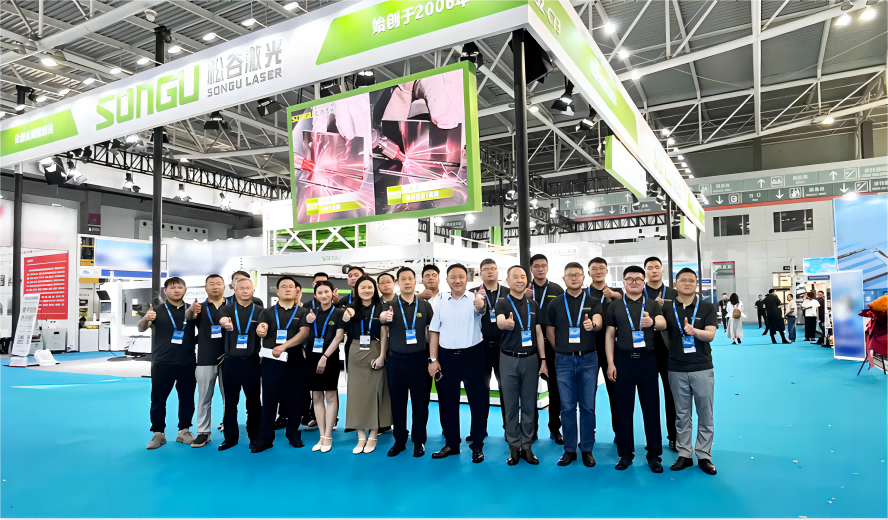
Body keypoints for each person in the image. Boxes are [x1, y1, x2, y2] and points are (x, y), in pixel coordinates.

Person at [604, 266, 667, 473]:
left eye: (638, 279)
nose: (634, 282)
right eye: (629, 279)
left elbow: (662, 323)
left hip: (648, 362)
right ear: (623, 283)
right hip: (623, 362)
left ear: (643, 282)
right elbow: (609, 335)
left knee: (651, 409)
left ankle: (654, 455)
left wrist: (653, 322)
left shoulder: (652, 304)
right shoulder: (614, 306)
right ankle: (625, 454)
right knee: (623, 410)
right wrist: (610, 363)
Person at [428, 263, 488, 463]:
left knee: (478, 401)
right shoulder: (440, 302)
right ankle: (452, 443)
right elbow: (434, 331)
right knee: (447, 402)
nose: (457, 280)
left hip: (473, 355)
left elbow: (482, 310)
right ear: (447, 280)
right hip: (446, 357)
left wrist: (481, 305)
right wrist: (433, 359)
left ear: (466, 279)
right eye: (453, 277)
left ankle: (477, 444)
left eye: (461, 276)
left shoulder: (475, 299)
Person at [662, 268, 719, 476]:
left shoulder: (707, 307)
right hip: (676, 368)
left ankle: (704, 455)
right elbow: (664, 333)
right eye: (683, 280)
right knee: (681, 415)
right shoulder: (667, 309)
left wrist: (694, 332)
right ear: (675, 284)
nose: (687, 283)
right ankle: (684, 454)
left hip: (702, 367)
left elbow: (710, 335)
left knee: (705, 413)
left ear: (697, 285)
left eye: (691, 280)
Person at [547, 262, 602, 467]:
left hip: (588, 359)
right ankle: (569, 449)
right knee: (567, 407)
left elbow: (599, 321)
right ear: (563, 279)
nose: (574, 278)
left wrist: (593, 325)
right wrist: (561, 349)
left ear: (583, 277)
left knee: (588, 406)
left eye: (577, 275)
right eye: (569, 275)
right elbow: (550, 331)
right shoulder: (555, 303)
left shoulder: (593, 301)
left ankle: (586, 448)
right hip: (563, 360)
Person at [496, 265, 548, 465]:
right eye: (515, 277)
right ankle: (513, 445)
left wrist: (543, 360)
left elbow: (539, 333)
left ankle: (526, 445)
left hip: (531, 359)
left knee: (528, 403)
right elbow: (500, 321)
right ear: (508, 281)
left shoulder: (533, 304)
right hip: (508, 358)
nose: (520, 280)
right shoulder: (502, 303)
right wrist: (505, 324)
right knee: (510, 404)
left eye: (523, 277)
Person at [380, 267, 434, 457]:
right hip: (396, 362)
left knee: (421, 404)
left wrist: (432, 359)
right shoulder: (389, 305)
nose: (407, 282)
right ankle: (399, 440)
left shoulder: (425, 306)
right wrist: (383, 318)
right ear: (398, 283)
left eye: (410, 278)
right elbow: (382, 322)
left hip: (419, 362)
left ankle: (419, 440)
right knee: (398, 404)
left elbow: (433, 333)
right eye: (403, 279)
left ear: (415, 281)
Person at [253, 277, 310, 453]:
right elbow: (261, 328)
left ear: (296, 291)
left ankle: (293, 434)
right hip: (271, 362)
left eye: (291, 286)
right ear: (277, 292)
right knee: (269, 400)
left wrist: (284, 346)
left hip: (294, 362)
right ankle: (266, 438)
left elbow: (304, 333)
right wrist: (260, 330)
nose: (287, 289)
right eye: (283, 287)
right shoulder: (267, 312)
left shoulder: (303, 312)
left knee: (294, 400)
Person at [141, 277, 196, 450]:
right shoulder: (156, 310)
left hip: (187, 361)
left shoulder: (192, 310)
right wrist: (146, 318)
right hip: (162, 361)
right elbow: (141, 327)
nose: (176, 290)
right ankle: (158, 433)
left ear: (185, 290)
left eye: (180, 287)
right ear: (165, 291)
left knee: (187, 398)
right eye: (172, 287)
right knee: (158, 399)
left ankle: (184, 431)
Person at [341, 275, 392, 454]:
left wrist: (382, 355)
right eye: (362, 287)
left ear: (374, 289)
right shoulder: (350, 307)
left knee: (375, 394)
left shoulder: (382, 307)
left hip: (375, 349)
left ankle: (373, 435)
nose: (366, 290)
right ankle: (361, 436)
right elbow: (344, 323)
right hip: (355, 351)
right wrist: (346, 316)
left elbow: (385, 333)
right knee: (356, 395)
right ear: (357, 290)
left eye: (369, 287)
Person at [217, 277, 264, 451]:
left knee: (254, 402)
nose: (245, 291)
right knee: (230, 402)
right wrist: (224, 322)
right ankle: (230, 438)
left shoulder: (260, 311)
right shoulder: (226, 309)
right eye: (241, 288)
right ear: (235, 290)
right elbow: (221, 319)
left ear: (253, 290)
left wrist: (263, 329)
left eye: (248, 288)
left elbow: (265, 326)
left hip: (252, 362)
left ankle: (255, 436)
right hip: (231, 362)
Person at [526, 253, 565, 445]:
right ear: (531, 268)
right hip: (528, 345)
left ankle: (554, 428)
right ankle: (531, 430)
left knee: (555, 389)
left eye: (543, 265)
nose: (540, 269)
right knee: (529, 388)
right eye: (536, 266)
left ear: (547, 267)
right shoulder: (524, 289)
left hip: (551, 345)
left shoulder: (557, 289)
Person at [643, 256, 680, 452]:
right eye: (650, 267)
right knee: (649, 398)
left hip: (668, 350)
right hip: (645, 351)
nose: (654, 270)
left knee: (671, 395)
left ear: (662, 270)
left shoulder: (673, 293)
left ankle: (674, 437)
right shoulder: (638, 293)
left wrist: (663, 309)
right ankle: (653, 440)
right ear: (645, 272)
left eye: (657, 267)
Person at [304, 281, 346, 453]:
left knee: (330, 395)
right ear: (315, 296)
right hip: (312, 356)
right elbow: (304, 334)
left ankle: (328, 435)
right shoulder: (310, 313)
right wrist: (307, 322)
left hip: (330, 356)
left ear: (332, 293)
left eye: (326, 292)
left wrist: (325, 357)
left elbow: (339, 337)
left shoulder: (339, 312)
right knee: (316, 397)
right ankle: (321, 435)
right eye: (320, 293)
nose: (323, 295)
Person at [586, 257, 623, 441]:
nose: (598, 271)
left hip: (612, 350)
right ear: (589, 273)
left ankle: (619, 432)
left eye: (601, 268)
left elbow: (628, 309)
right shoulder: (583, 294)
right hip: (589, 348)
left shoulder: (618, 293)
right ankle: (589, 431)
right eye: (594, 268)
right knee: (588, 394)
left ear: (607, 271)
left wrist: (615, 296)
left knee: (616, 393)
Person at [189, 274, 227, 448]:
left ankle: (228, 427)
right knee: (204, 398)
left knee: (229, 398)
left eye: (218, 283)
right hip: (205, 358)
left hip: (228, 358)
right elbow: (188, 319)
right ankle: (203, 432)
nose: (215, 286)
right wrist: (191, 311)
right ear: (205, 288)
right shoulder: (199, 308)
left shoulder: (232, 306)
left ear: (224, 286)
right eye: (211, 284)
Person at [469, 259, 507, 429]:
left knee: (506, 389)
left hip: (503, 347)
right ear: (480, 272)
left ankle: (509, 429)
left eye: (493, 268)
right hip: (480, 348)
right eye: (486, 269)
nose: (490, 271)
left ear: (498, 271)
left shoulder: (508, 292)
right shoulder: (472, 293)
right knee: (480, 390)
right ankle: (479, 429)